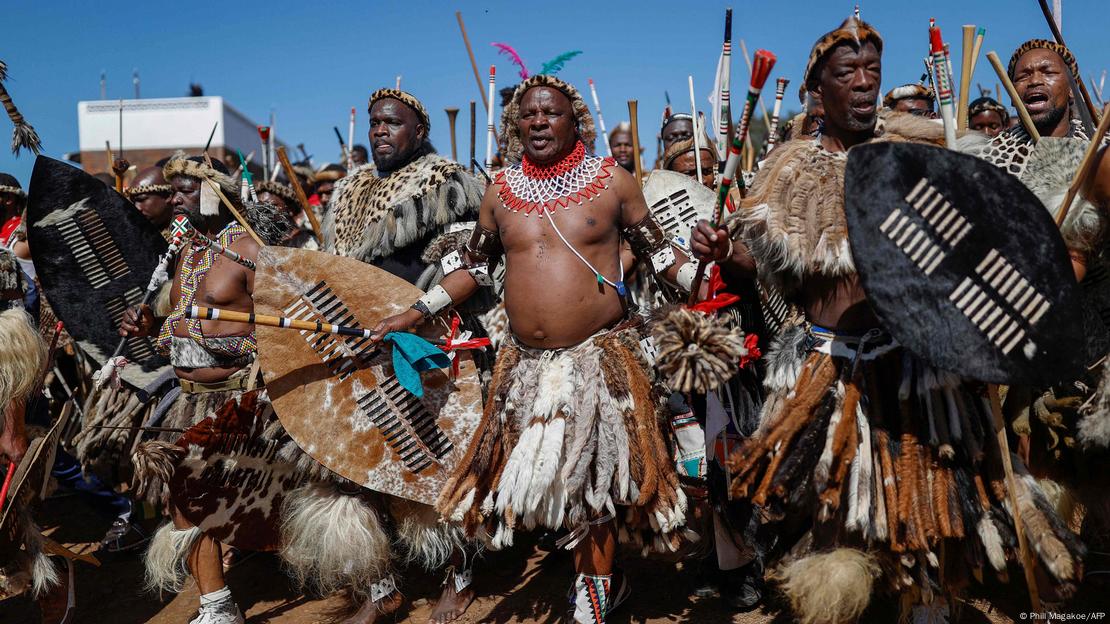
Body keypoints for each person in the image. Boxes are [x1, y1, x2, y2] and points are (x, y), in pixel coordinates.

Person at [692, 17, 1083, 623]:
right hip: (828, 364)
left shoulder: (917, 150)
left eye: (872, 69)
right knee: (833, 513)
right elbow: (762, 263)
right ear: (817, 89)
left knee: (924, 507)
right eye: (847, 72)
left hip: (917, 363)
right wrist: (725, 253)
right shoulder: (789, 168)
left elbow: (968, 251)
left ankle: (924, 606)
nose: (864, 82)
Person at [373, 74, 695, 624]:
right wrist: (415, 311)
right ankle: (601, 583)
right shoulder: (501, 192)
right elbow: (473, 269)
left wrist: (711, 275)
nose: (539, 122)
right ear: (516, 126)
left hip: (601, 357)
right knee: (556, 488)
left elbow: (663, 258)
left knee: (595, 485)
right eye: (528, 115)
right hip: (524, 366)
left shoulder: (613, 182)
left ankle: (591, 602)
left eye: (551, 113)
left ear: (576, 122)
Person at [304, 88, 485, 624]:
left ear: (419, 131)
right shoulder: (351, 188)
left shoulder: (445, 182)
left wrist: (411, 315)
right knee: (355, 463)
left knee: (440, 459)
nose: (380, 131)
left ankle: (460, 576)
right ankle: (379, 586)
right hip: (355, 345)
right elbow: (333, 266)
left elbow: (466, 269)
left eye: (393, 123)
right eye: (376, 123)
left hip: (425, 338)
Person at [122, 154, 290, 624]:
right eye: (171, 190)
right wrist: (152, 328)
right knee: (184, 500)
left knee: (276, 502)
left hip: (243, 402)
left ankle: (370, 582)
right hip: (188, 402)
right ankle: (218, 606)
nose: (175, 199)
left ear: (216, 189)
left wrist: (223, 343)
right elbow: (178, 328)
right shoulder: (188, 251)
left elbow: (287, 331)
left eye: (185, 190)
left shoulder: (251, 251)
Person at [256, 178, 317, 249]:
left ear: (290, 208)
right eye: (260, 206)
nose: (265, 210)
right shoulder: (258, 240)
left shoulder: (309, 241)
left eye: (272, 206)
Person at [125, 166, 175, 236]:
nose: (137, 208)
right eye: (133, 202)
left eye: (141, 199)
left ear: (167, 195)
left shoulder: (191, 232)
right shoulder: (140, 235)